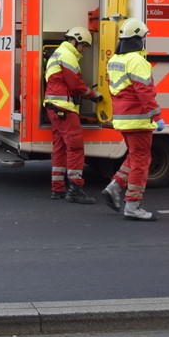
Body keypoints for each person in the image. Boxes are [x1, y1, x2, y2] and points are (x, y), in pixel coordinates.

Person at [102, 18, 162, 221]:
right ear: (138, 38)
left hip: (123, 118)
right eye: (143, 37)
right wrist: (156, 115)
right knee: (141, 161)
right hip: (138, 118)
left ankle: (115, 186)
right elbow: (144, 91)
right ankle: (133, 205)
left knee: (135, 156)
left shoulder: (115, 60)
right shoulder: (137, 61)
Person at [44, 26, 103, 205]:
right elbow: (76, 85)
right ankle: (75, 189)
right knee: (75, 148)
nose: (83, 49)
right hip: (64, 108)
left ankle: (57, 188)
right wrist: (94, 96)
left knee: (60, 148)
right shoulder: (67, 55)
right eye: (83, 45)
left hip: (54, 107)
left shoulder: (60, 53)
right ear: (75, 40)